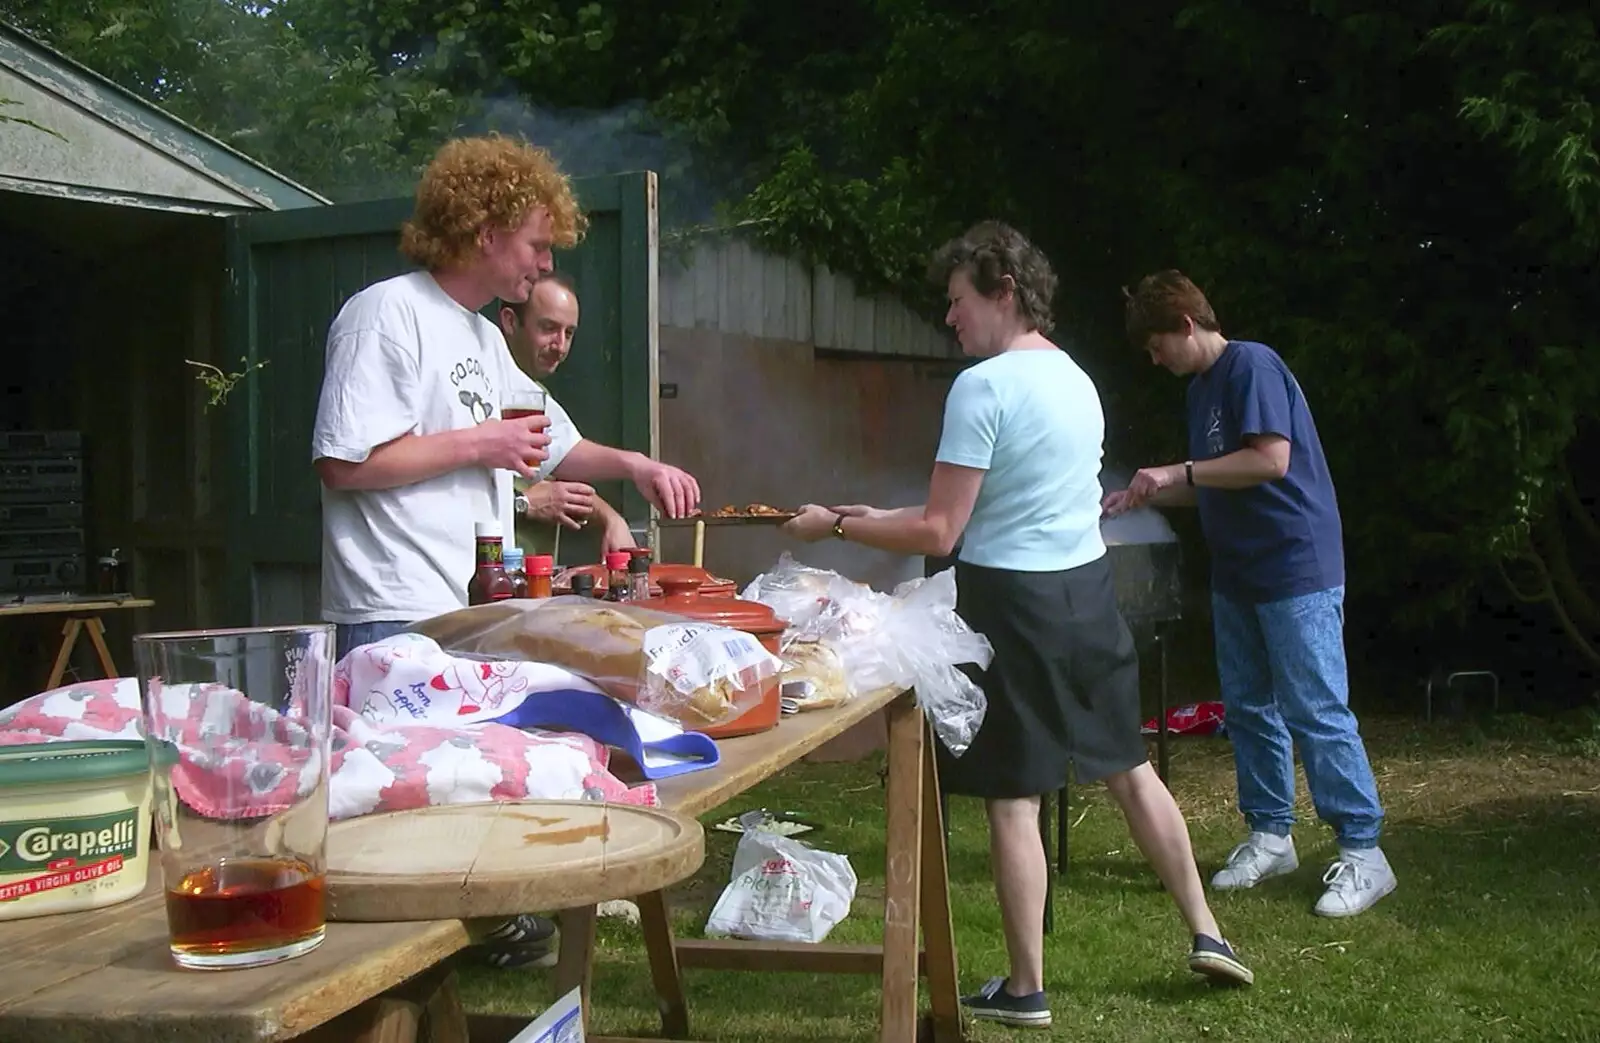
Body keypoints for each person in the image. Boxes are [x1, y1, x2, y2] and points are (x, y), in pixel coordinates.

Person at [784, 223, 1252, 1029]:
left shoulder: (983, 387)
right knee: (1131, 769)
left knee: (1013, 798)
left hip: (1011, 604)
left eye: (959, 300)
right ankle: (1209, 932)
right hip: (1086, 593)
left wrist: (835, 526)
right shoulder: (1077, 379)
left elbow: (940, 530)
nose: (951, 318)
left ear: (1002, 289)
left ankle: (1027, 985)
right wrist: (866, 515)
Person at [1106, 270, 1396, 918]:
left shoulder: (1252, 365)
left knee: (1315, 707)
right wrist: (1145, 492)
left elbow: (1269, 460)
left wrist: (1176, 470)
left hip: (1295, 566)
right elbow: (1215, 479)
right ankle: (1271, 834)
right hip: (1238, 573)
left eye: (1156, 345)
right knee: (1249, 707)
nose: (1154, 361)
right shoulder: (1201, 390)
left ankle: (1364, 852)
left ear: (1185, 322)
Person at [497, 271, 641, 557]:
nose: (560, 346)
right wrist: (521, 503)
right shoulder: (479, 384)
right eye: (549, 328)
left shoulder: (536, 394)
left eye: (569, 333)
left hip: (529, 580)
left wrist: (610, 518)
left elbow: (556, 467)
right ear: (510, 322)